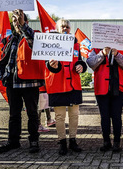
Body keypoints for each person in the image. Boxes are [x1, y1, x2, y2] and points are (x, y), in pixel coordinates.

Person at [0, 10, 44, 154]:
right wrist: (3, 75)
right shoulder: (9, 38)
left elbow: (34, 42)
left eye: (19, 20)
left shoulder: (32, 34)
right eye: (15, 21)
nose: (16, 23)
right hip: (12, 82)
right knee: (14, 114)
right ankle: (13, 141)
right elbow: (2, 57)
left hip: (30, 82)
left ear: (25, 21)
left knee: (32, 113)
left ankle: (34, 141)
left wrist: (23, 25)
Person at [45, 19, 87, 155]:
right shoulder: (51, 43)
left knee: (74, 115)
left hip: (73, 84)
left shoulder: (75, 43)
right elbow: (47, 63)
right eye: (62, 26)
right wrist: (52, 65)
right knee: (59, 116)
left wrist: (81, 66)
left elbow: (79, 60)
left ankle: (73, 141)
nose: (65, 29)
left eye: (67, 27)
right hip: (58, 84)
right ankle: (62, 142)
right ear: (57, 29)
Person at [87, 46, 123, 152]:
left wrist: (117, 55)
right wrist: (102, 53)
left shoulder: (121, 48)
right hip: (102, 89)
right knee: (104, 117)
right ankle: (106, 141)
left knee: (116, 116)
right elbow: (91, 63)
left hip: (119, 89)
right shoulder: (96, 50)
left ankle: (116, 142)